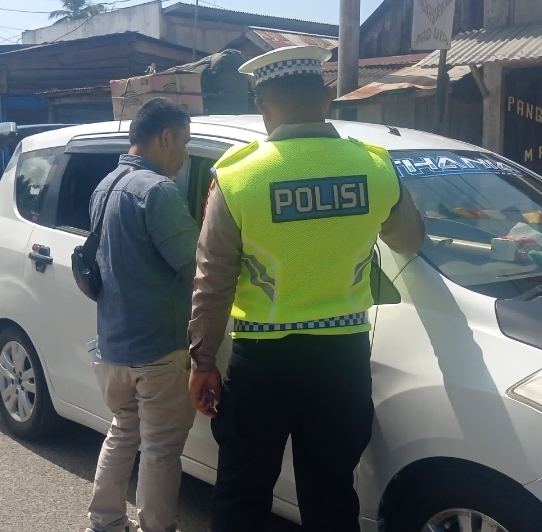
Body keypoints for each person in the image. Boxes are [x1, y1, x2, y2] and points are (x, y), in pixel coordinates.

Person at [187, 45, 426, 532]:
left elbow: (213, 280)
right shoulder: (374, 167)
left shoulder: (238, 176)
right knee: (331, 494)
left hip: (263, 363)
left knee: (242, 492)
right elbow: (409, 240)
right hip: (342, 361)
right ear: (325, 99)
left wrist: (202, 360)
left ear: (263, 105)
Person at [86, 97, 199, 532]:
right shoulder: (158, 191)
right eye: (184, 143)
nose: (185, 154)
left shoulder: (105, 186)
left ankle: (105, 521)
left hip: (112, 347)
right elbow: (197, 264)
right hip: (157, 350)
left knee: (122, 432)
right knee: (160, 450)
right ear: (165, 137)